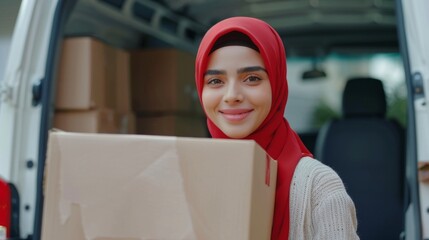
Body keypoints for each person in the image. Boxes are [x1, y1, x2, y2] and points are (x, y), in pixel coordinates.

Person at [194, 17, 359, 239]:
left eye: (252, 78)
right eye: (215, 81)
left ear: (277, 84)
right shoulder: (189, 178)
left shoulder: (320, 189)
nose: (232, 95)